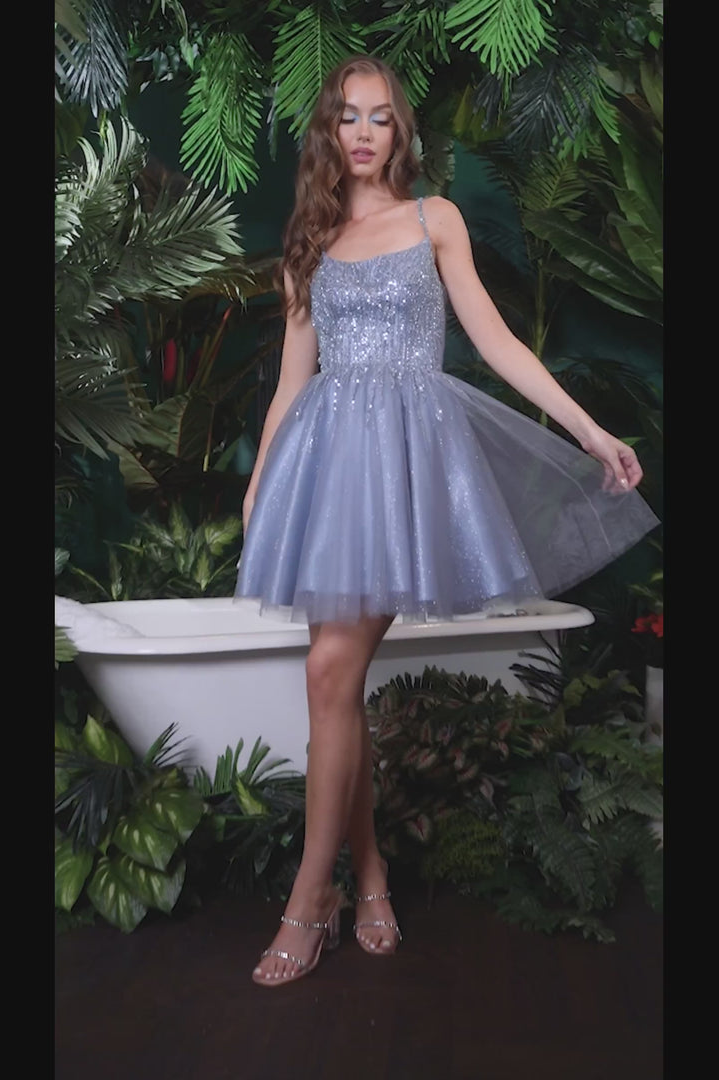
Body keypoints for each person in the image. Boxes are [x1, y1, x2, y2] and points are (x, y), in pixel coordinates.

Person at [234, 55, 660, 987]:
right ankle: (369, 880)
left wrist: (590, 430)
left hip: (407, 472)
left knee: (327, 671)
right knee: (336, 684)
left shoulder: (437, 219)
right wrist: (262, 484)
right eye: (347, 116)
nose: (361, 133)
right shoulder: (309, 239)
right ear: (329, 129)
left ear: (401, 132)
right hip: (326, 475)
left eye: (379, 117)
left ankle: (308, 899)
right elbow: (291, 383)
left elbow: (496, 341)